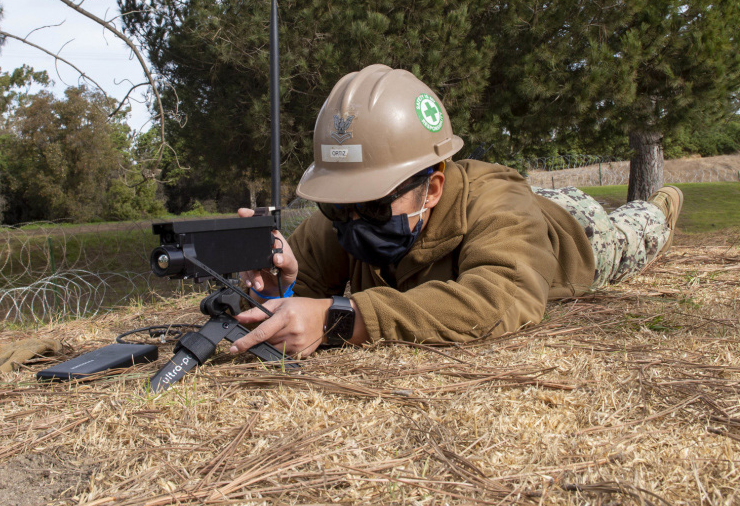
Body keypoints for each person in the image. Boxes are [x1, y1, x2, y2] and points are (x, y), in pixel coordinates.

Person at [229, 64, 683, 358]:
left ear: (432, 188)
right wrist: (276, 292)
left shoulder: (498, 203)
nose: (350, 217)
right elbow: (297, 295)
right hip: (513, 215)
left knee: (637, 230)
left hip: (571, 231)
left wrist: (344, 319)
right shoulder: (347, 217)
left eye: (371, 202)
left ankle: (661, 204)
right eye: (338, 202)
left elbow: (500, 298)